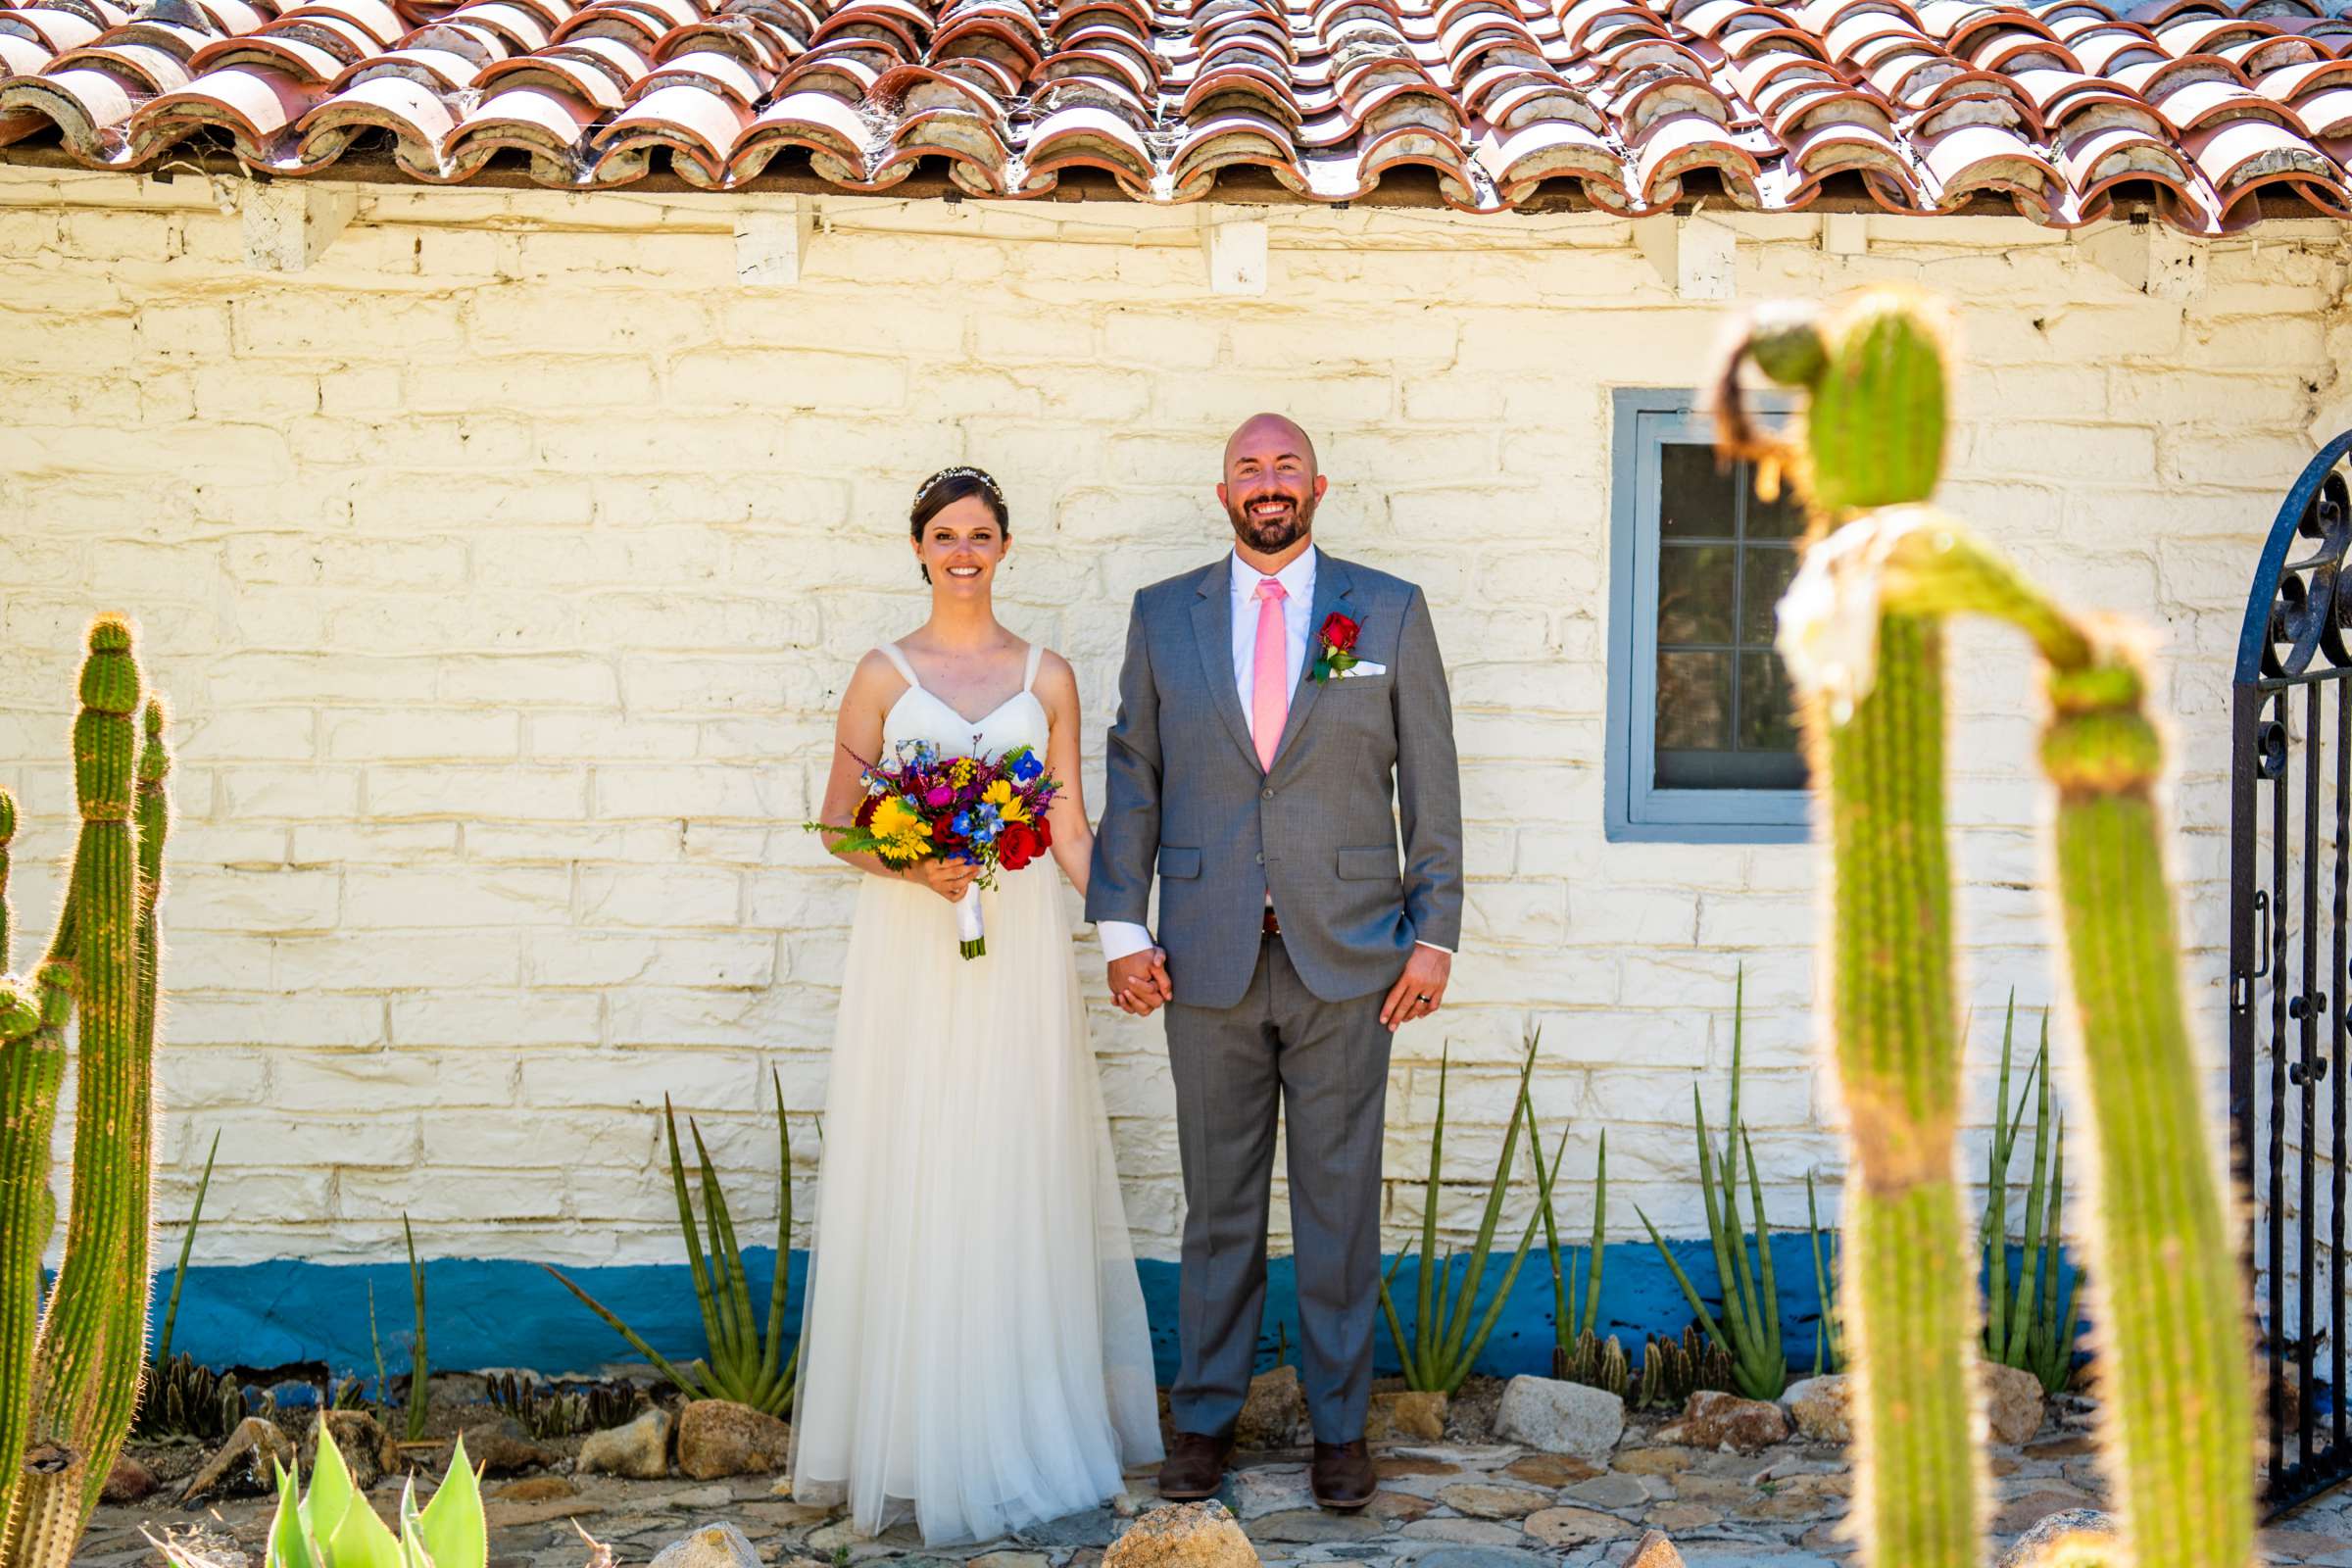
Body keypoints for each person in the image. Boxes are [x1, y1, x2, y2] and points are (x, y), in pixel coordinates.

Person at [1087, 415, 1464, 1510]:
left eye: (1285, 465)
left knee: (1340, 1204)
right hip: (1201, 957)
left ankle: (1340, 1428)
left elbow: (1430, 783)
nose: (1268, 483)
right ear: (1222, 492)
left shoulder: (1386, 608)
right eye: (1249, 468)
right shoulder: (1166, 616)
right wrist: (1122, 925)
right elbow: (1137, 775)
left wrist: (1433, 932)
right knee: (1218, 1207)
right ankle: (1203, 1419)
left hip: (1351, 955)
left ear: (1319, 484)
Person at [790, 466, 1162, 1545]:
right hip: (912, 949)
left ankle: (1020, 1426)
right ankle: (909, 1439)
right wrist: (914, 867)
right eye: (945, 534)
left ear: (1005, 548)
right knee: (916, 1159)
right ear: (918, 548)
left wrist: (1124, 936)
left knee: (1009, 1160)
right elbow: (835, 822)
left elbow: (1074, 829)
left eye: (982, 534)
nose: (963, 550)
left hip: (1019, 959)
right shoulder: (880, 672)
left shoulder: (1046, 674)